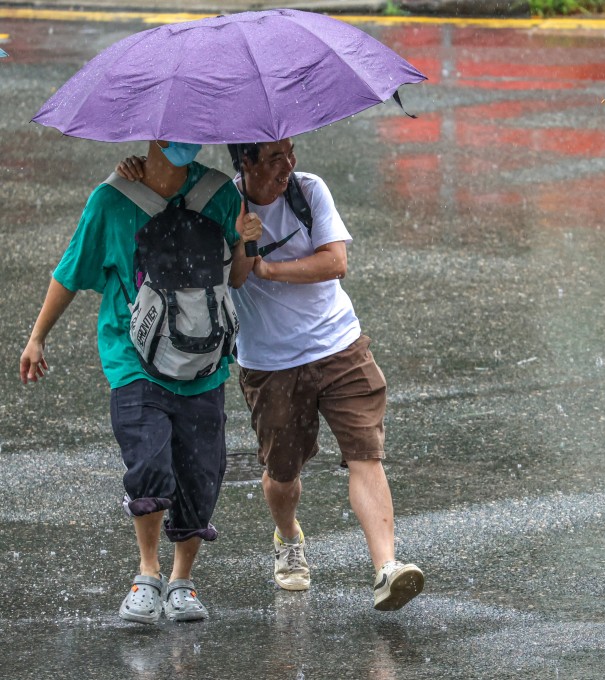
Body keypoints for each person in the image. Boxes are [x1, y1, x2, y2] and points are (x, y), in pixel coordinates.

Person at [117, 139, 425, 610]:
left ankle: (386, 568)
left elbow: (335, 262)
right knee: (283, 473)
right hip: (269, 363)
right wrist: (138, 172)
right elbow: (195, 242)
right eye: (276, 157)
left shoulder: (310, 191)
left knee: (365, 452)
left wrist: (270, 267)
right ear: (246, 162)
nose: (289, 165)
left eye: (291, 152)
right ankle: (288, 537)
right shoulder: (223, 201)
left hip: (340, 344)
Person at [20, 140, 262, 624]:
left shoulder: (221, 196)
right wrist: (37, 337)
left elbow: (235, 279)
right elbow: (70, 271)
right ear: (153, 135)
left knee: (200, 474)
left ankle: (182, 582)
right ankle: (147, 573)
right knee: (148, 460)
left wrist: (246, 241)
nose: (186, 140)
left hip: (204, 362)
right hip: (133, 359)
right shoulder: (111, 201)